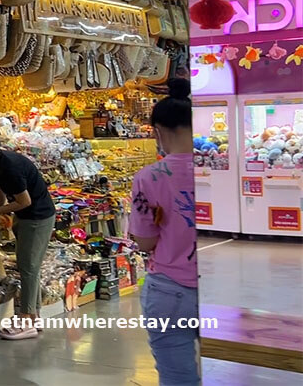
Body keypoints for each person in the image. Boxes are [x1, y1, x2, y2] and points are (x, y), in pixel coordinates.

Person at [128, 78, 199, 385]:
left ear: (157, 131)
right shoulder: (220, 169)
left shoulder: (148, 178)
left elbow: (145, 242)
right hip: (224, 286)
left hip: (170, 290)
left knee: (177, 377)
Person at [0, 131, 55, 340]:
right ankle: (34, 317)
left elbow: (25, 201)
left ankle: (26, 321)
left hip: (37, 217)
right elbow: (0, 190)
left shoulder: (11, 168)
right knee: (29, 267)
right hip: (25, 217)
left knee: (28, 268)